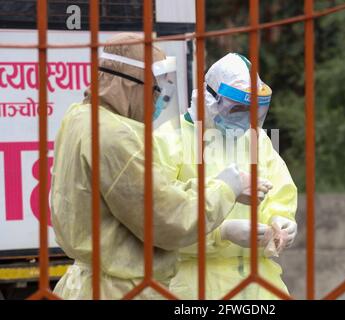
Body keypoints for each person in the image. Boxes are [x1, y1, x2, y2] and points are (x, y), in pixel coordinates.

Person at [50, 34, 271, 300]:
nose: (158, 102)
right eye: (155, 90)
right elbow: (168, 219)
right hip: (122, 288)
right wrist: (225, 190)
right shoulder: (116, 136)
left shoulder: (79, 118)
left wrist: (214, 187)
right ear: (131, 84)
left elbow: (152, 193)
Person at [159, 53, 298, 299]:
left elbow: (279, 191)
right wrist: (220, 233)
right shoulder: (170, 141)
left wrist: (281, 221)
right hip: (194, 285)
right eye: (238, 109)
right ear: (209, 100)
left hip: (260, 286)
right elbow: (160, 222)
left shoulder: (257, 140)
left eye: (253, 110)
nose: (246, 118)